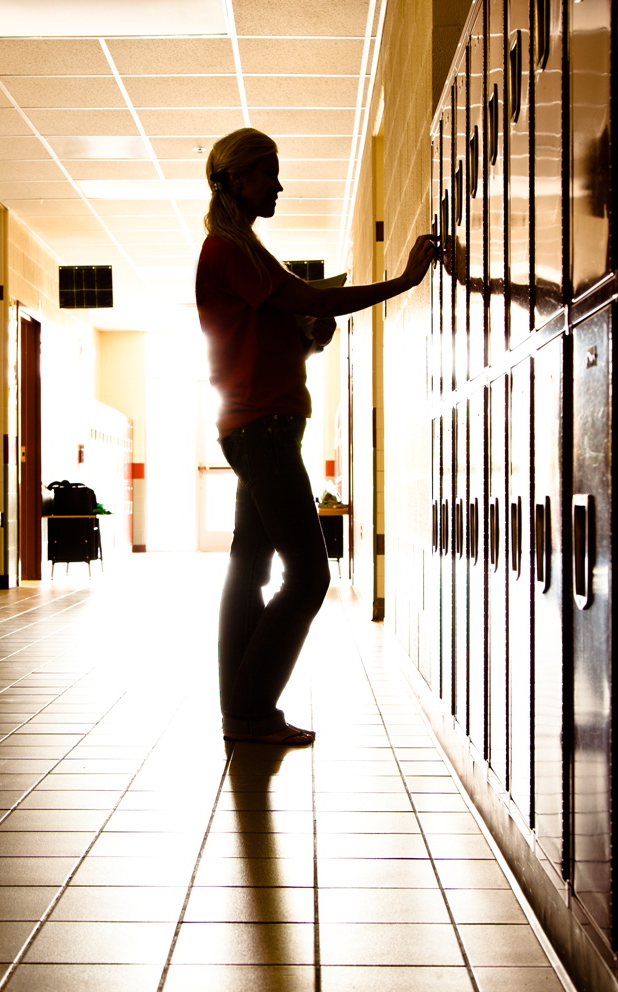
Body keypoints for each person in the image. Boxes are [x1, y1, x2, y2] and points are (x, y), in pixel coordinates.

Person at [196, 127, 435, 746]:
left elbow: (273, 327)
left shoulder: (244, 248)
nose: (278, 184)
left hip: (261, 425)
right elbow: (299, 297)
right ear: (239, 179)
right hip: (261, 429)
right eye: (269, 173)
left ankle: (245, 712)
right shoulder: (228, 250)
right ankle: (249, 708)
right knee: (308, 574)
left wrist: (308, 335)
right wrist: (404, 282)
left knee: (249, 565)